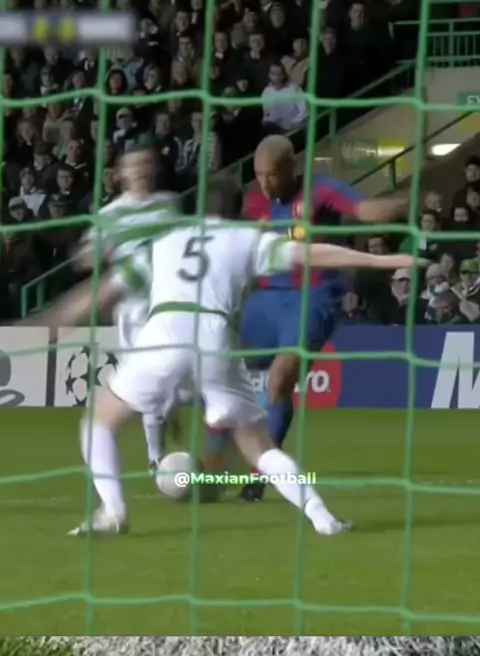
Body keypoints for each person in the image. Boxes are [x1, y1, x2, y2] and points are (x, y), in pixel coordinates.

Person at [32, 174, 422, 536]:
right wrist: (380, 260)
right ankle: (323, 518)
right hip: (214, 337)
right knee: (258, 444)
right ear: (240, 208)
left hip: (163, 333)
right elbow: (311, 255)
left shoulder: (163, 242)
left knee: (100, 420)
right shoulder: (246, 238)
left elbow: (105, 291)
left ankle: (114, 511)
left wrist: (57, 318)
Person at [203, 135, 409, 502]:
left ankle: (260, 475)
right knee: (219, 368)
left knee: (281, 378)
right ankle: (211, 466)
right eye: (259, 175)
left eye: (273, 175)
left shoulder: (321, 190)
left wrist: (407, 201)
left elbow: (364, 211)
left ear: (292, 167)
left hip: (313, 297)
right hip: (264, 298)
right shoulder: (251, 203)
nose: (266, 183)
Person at [73, 143, 180, 472]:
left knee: (171, 384)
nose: (140, 170)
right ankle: (156, 458)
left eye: (145, 162)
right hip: (134, 312)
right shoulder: (110, 215)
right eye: (133, 165)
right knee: (152, 386)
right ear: (120, 173)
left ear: (154, 167)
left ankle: (166, 420)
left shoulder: (169, 205)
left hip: (172, 305)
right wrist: (92, 255)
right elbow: (87, 256)